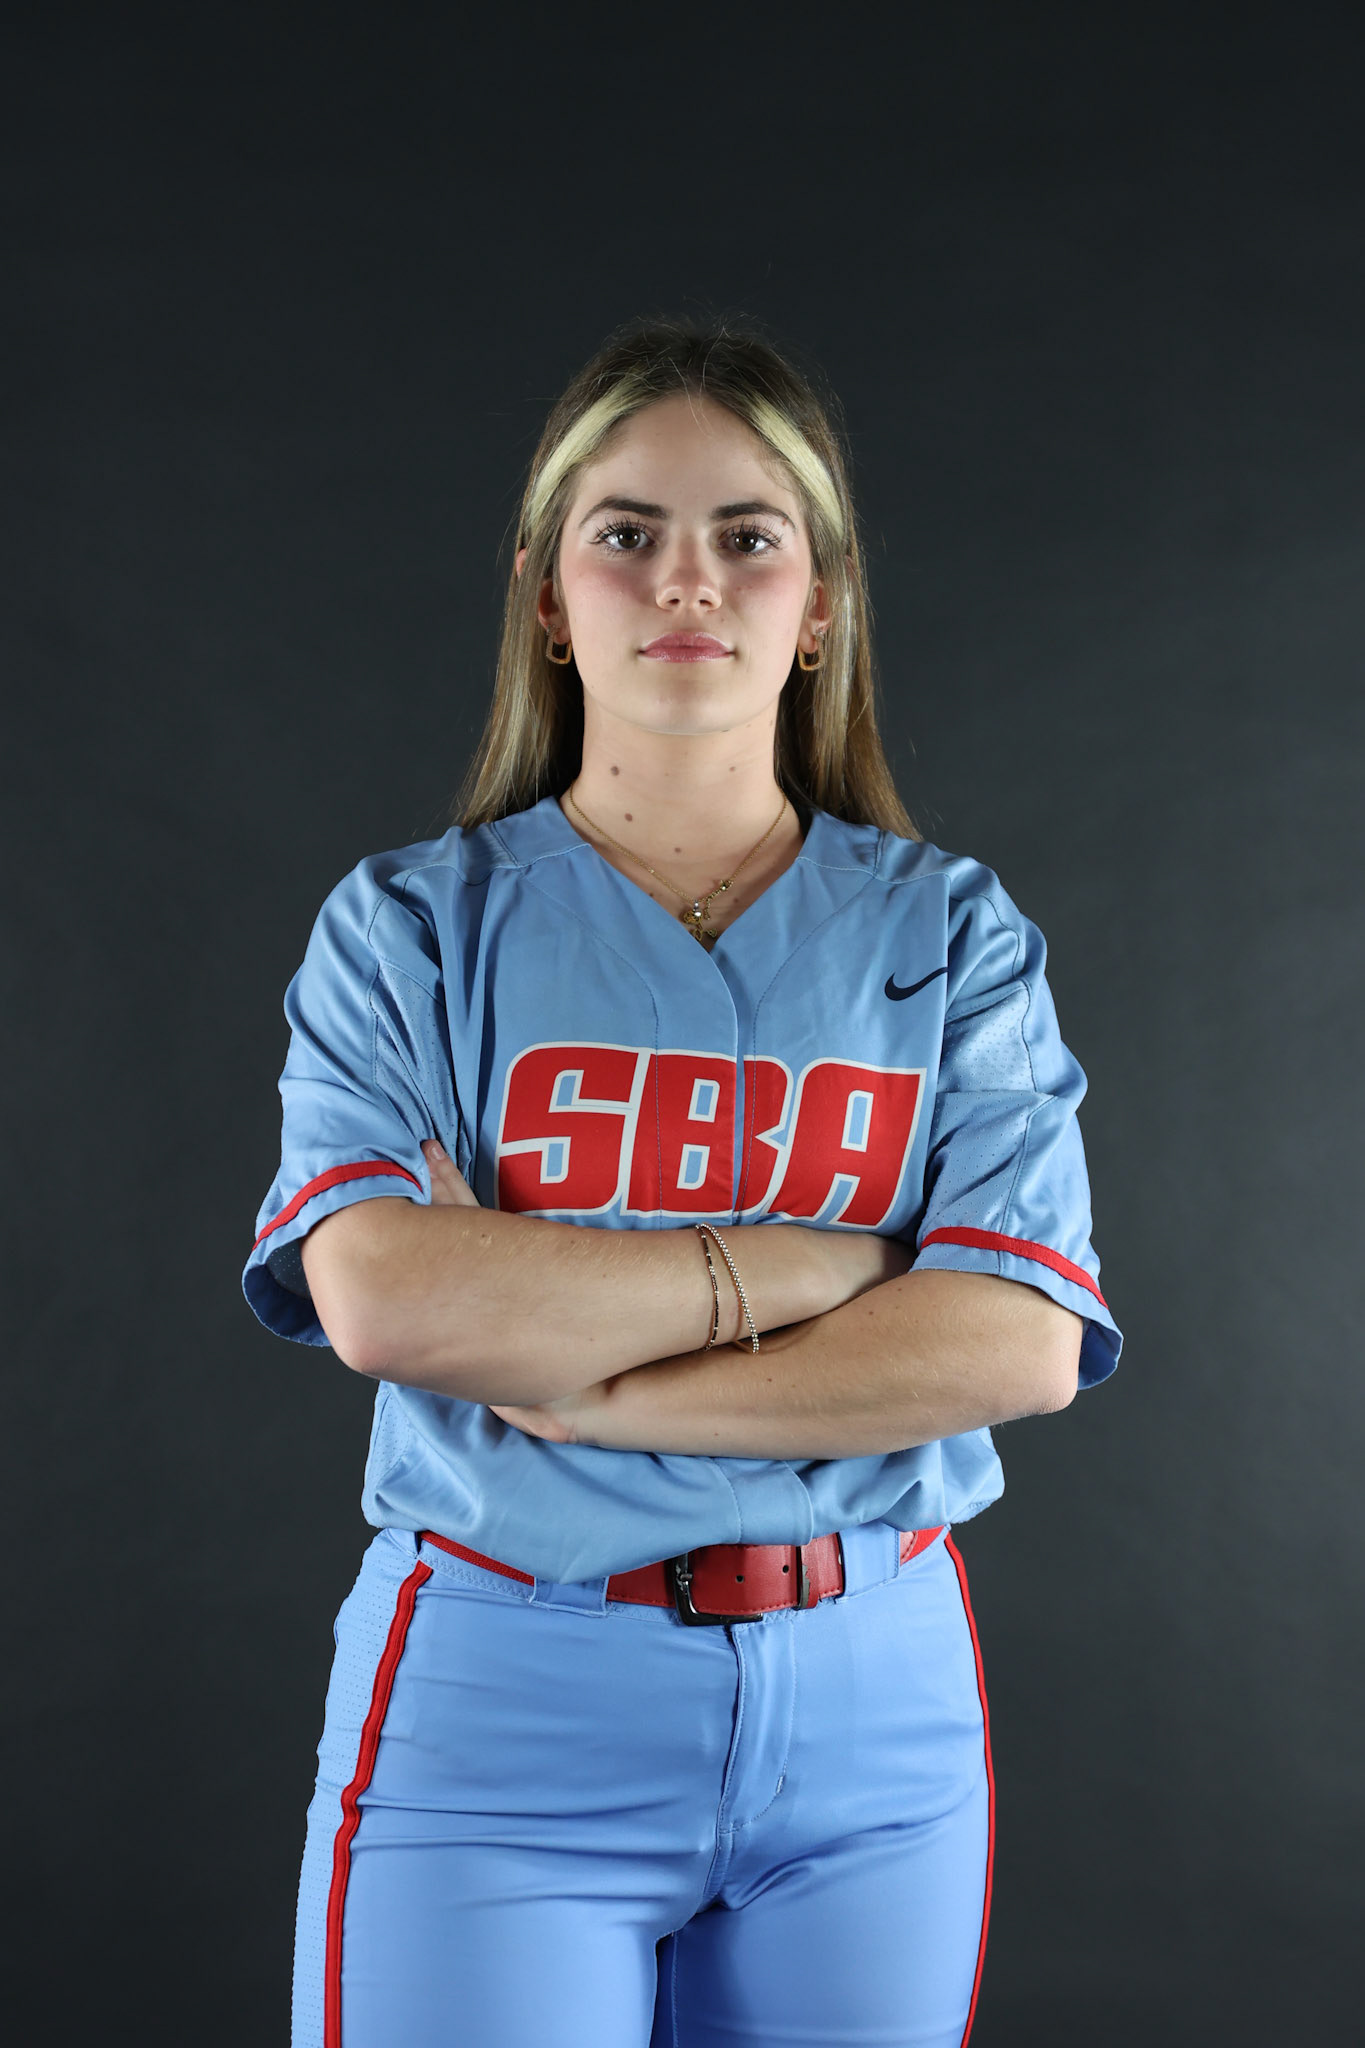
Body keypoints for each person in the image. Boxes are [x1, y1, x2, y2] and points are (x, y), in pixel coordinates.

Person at [243, 321, 1122, 2048]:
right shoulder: (413, 929)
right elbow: (386, 1302)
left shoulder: (950, 935)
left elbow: (1013, 1345)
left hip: (876, 1711)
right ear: (548, 598)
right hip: (505, 1694)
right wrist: (817, 1270)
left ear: (819, 605)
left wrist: (582, 1374)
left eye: (748, 534)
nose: (686, 580)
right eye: (624, 531)